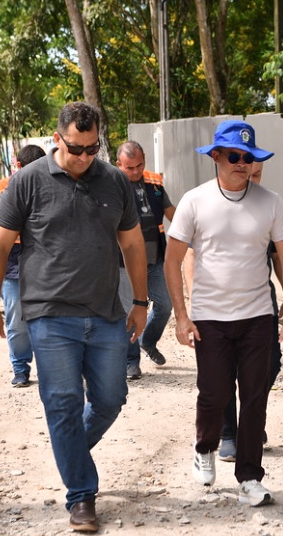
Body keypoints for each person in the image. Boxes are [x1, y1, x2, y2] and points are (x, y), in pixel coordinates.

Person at [0, 102, 148, 533]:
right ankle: (81, 495)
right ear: (58, 139)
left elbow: (131, 245)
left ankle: (70, 451)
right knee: (63, 403)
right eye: (76, 149)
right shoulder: (27, 182)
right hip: (49, 315)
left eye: (93, 149)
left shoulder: (113, 181)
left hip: (106, 313)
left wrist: (142, 302)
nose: (85, 157)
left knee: (110, 400)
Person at [165, 120, 283, 507]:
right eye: (235, 156)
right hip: (209, 316)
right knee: (215, 392)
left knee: (255, 395)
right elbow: (172, 261)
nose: (243, 164)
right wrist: (181, 315)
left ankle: (249, 477)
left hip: (258, 315)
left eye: (249, 157)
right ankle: (205, 447)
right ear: (217, 157)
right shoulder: (194, 201)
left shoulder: (270, 201)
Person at [216, 162, 283, 461]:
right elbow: (190, 256)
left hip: (260, 301)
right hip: (218, 303)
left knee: (269, 363)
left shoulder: (268, 204)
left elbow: (280, 255)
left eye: (257, 175)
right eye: (248, 175)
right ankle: (229, 432)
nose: (252, 181)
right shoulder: (210, 204)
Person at [0, 144, 46, 388]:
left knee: (49, 320)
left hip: (45, 266)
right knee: (17, 322)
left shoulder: (48, 186)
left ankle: (52, 368)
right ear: (17, 167)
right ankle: (20, 368)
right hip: (12, 268)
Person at [115, 140, 175, 380]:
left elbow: (172, 214)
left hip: (156, 258)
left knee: (165, 305)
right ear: (119, 165)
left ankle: (147, 340)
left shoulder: (155, 182)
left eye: (140, 165)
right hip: (126, 262)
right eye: (130, 168)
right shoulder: (113, 185)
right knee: (131, 310)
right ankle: (131, 362)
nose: (136, 171)